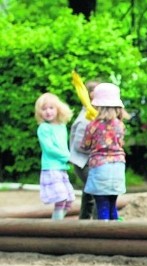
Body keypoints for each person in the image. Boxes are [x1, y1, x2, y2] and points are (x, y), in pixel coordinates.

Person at [80, 83, 127, 221]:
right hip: (118, 167)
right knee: (113, 205)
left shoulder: (93, 125)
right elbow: (121, 143)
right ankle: (116, 237)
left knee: (102, 206)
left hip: (100, 167)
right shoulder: (120, 124)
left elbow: (85, 145)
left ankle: (104, 238)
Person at [34, 92, 75, 220]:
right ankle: (56, 227)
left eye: (51, 108)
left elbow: (64, 145)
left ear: (58, 109)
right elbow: (49, 148)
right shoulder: (43, 128)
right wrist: (68, 157)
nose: (48, 112)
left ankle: (56, 223)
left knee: (68, 201)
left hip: (61, 167)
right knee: (61, 198)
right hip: (51, 168)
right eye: (44, 109)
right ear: (39, 112)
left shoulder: (62, 127)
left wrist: (69, 157)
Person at [69, 79, 100, 219]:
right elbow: (79, 145)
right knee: (98, 190)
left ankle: (84, 221)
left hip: (90, 161)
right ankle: (99, 223)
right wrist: (100, 148)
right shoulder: (85, 119)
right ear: (92, 95)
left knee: (89, 193)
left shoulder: (94, 115)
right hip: (83, 163)